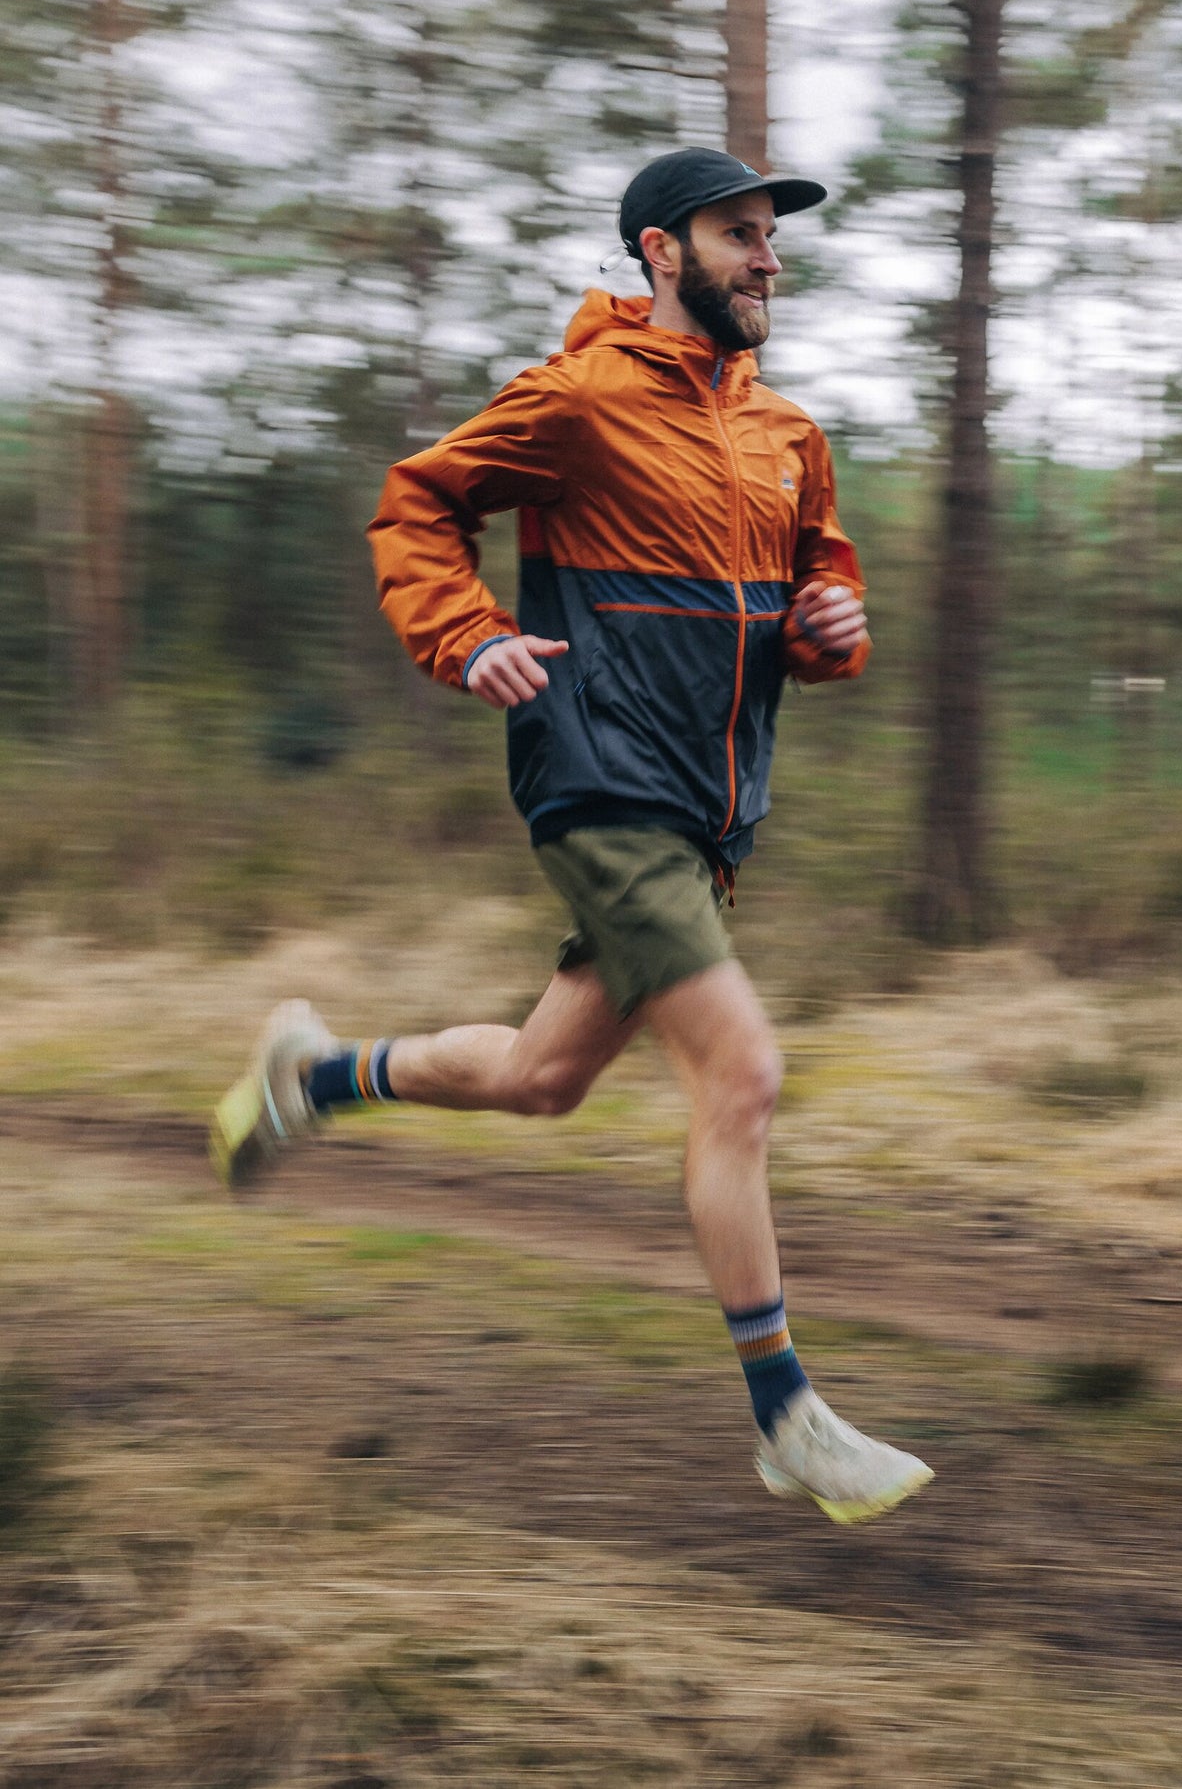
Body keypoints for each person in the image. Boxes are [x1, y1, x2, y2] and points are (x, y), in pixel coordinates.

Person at [210, 148, 933, 1524]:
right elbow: (418, 500)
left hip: (710, 813)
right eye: (739, 234)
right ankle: (786, 1415)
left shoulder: (787, 434)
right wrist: (466, 633)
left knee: (543, 1079)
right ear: (662, 251)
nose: (768, 259)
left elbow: (814, 593)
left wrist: (832, 626)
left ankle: (314, 1075)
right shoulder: (580, 398)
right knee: (742, 1076)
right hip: (601, 783)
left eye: (770, 236)